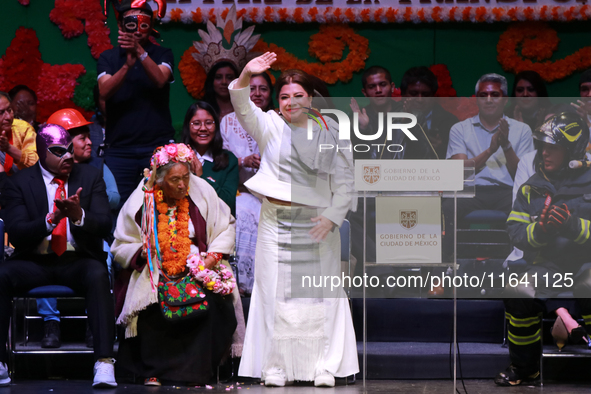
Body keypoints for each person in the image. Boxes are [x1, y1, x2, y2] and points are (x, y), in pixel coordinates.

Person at [230, 53, 358, 387]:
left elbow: (346, 182)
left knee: (321, 296)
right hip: (275, 221)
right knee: (273, 292)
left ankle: (324, 366)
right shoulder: (269, 125)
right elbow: (242, 103)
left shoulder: (331, 131)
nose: (290, 102)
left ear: (311, 98)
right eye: (284, 96)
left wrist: (332, 218)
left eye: (298, 95)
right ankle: (275, 366)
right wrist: (246, 72)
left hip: (317, 224)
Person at [0, 124, 116, 388]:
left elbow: (104, 224)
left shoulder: (90, 177)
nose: (68, 157)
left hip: (77, 259)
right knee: (2, 275)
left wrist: (78, 216)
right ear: (42, 152)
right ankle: (0, 363)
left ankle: (104, 361)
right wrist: (52, 219)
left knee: (99, 273)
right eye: (59, 151)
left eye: (69, 151)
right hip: (34, 260)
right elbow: (16, 233)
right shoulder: (20, 182)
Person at [112, 143, 237, 386]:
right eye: (175, 180)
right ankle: (154, 371)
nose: (182, 185)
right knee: (151, 302)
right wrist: (145, 254)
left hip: (200, 261)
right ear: (159, 180)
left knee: (214, 303)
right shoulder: (142, 197)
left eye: (185, 177)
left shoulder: (202, 190)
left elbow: (226, 225)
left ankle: (197, 373)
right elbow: (122, 242)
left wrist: (210, 258)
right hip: (154, 265)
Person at [496, 112, 591, 386]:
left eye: (552, 147)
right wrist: (540, 231)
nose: (544, 153)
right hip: (549, 264)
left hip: (587, 262)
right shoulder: (531, 188)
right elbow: (515, 233)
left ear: (572, 149)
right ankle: (525, 369)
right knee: (518, 290)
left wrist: (574, 226)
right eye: (542, 146)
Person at [36, 108, 121, 349]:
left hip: (88, 237)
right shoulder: (42, 171)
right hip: (52, 237)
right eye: (82, 137)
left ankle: (94, 323)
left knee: (102, 261)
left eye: (88, 136)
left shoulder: (97, 167)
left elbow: (114, 197)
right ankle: (50, 323)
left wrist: (83, 202)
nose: (89, 142)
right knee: (41, 255)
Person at [97, 0, 175, 208]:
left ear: (150, 26)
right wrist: (126, 67)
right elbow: (104, 91)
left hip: (156, 148)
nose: (137, 29)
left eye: (143, 22)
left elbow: (160, 79)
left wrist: (140, 52)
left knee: (159, 207)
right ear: (122, 25)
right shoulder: (108, 58)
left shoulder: (163, 54)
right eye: (130, 22)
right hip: (119, 150)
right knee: (118, 208)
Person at [446, 73, 534, 221]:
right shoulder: (460, 129)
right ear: (477, 100)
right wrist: (490, 151)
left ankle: (516, 245)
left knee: (526, 207)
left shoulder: (522, 130)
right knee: (446, 208)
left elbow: (524, 176)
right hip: (470, 191)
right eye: (483, 95)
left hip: (508, 191)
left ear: (505, 100)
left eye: (494, 95)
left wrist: (506, 146)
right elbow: (458, 172)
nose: (488, 100)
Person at [220, 72, 272, 295]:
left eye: (263, 89)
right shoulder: (228, 121)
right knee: (242, 212)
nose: (257, 93)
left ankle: (270, 286)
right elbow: (220, 160)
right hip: (243, 192)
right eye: (252, 88)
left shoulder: (276, 119)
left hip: (273, 194)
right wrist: (242, 161)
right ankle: (243, 286)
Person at [181, 101, 239, 217]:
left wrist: (201, 178)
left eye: (208, 123)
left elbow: (228, 203)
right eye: (196, 123)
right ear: (188, 126)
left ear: (216, 126)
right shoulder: (177, 157)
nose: (203, 128)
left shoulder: (229, 160)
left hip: (218, 225)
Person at [399, 66, 458, 160]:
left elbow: (458, 162)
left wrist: (442, 148)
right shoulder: (390, 116)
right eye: (414, 93)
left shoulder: (450, 122)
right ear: (403, 95)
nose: (420, 100)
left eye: (426, 95)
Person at [0, 91, 38, 175]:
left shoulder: (23, 128)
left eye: (9, 110)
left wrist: (9, 148)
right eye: (1, 113)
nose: (8, 117)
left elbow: (36, 163)